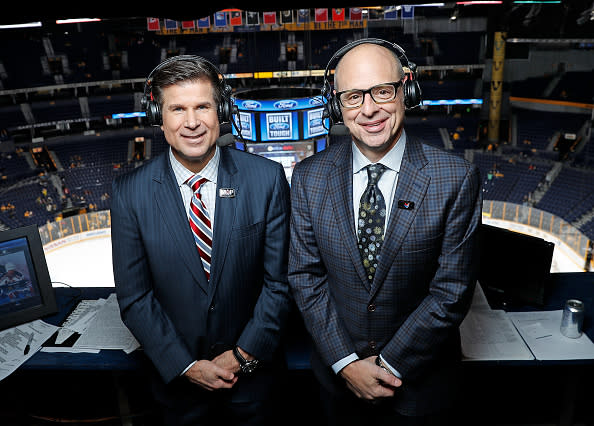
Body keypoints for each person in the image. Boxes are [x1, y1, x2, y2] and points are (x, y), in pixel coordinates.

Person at [288, 39, 482, 425]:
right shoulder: (308, 177)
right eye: (353, 97)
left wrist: (389, 364)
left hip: (422, 388)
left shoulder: (456, 178)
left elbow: (451, 292)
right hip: (337, 384)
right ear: (336, 105)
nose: (369, 109)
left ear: (406, 89)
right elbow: (305, 278)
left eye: (381, 91)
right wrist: (346, 364)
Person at [111, 55, 292, 426]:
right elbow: (135, 297)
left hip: (255, 386)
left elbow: (280, 284)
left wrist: (242, 356)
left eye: (202, 107)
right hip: (178, 391)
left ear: (220, 111)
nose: (191, 122)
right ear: (158, 117)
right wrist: (185, 365)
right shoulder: (129, 192)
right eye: (177, 109)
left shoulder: (267, 179)